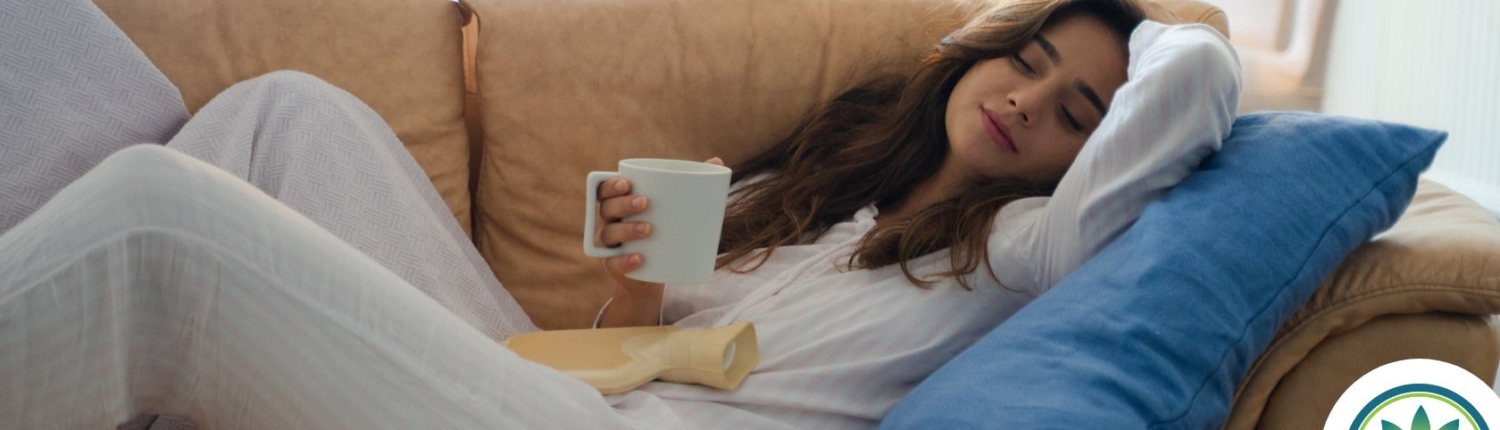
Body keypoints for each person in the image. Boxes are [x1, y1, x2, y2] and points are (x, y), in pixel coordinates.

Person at [0, 0, 1240, 429]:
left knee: (159, 223)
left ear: (1094, 159)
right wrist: (651, 278)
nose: (1028, 99)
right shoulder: (822, 186)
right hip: (557, 388)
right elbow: (628, 346)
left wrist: (1169, 34)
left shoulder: (1024, 252)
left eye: (1079, 110)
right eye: (1026, 60)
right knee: (287, 113)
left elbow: (1191, 93)